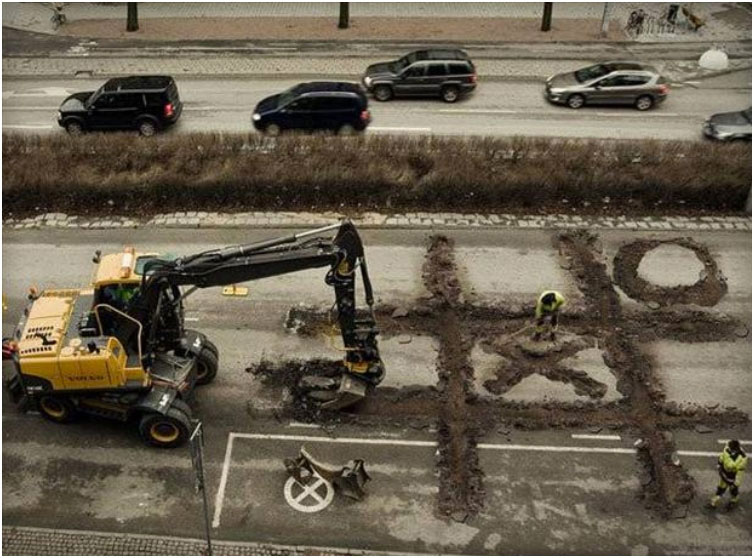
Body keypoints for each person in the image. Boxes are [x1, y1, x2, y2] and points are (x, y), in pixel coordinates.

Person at [709, 440, 747, 509]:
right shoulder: (727, 449)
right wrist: (719, 464)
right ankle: (713, 502)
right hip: (724, 474)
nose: (729, 450)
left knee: (733, 490)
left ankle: (733, 500)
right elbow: (722, 456)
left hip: (732, 476)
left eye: (731, 449)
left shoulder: (742, 458)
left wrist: (736, 483)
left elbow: (740, 471)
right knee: (721, 488)